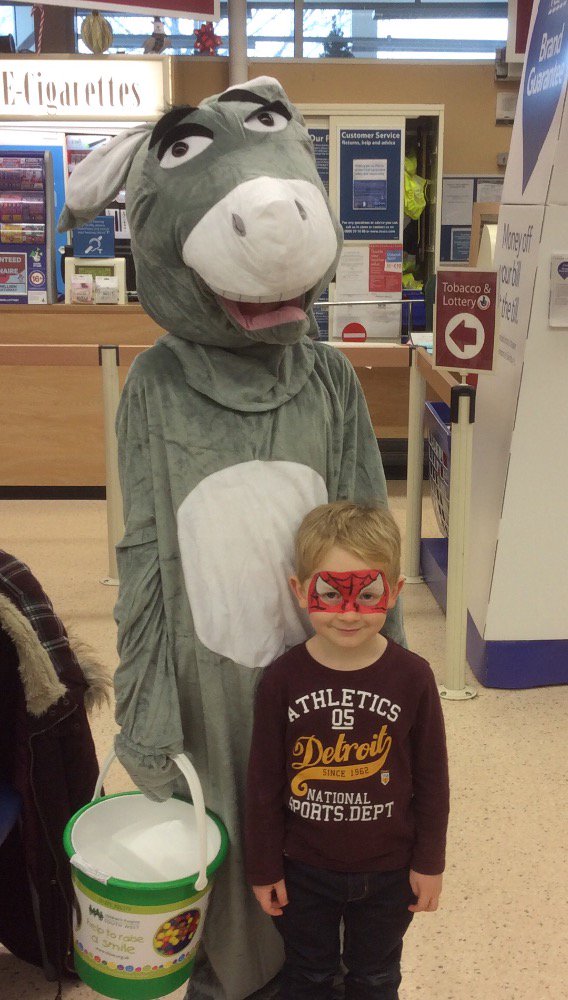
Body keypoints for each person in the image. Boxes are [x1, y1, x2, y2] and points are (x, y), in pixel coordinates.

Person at [246, 501, 449, 999]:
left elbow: (432, 780)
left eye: (369, 595)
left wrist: (430, 862)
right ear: (299, 590)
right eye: (330, 595)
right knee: (308, 975)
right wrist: (264, 867)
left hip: (389, 872)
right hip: (303, 871)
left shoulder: (414, 678)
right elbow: (263, 785)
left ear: (395, 593)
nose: (350, 614)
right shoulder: (281, 680)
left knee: (376, 977)